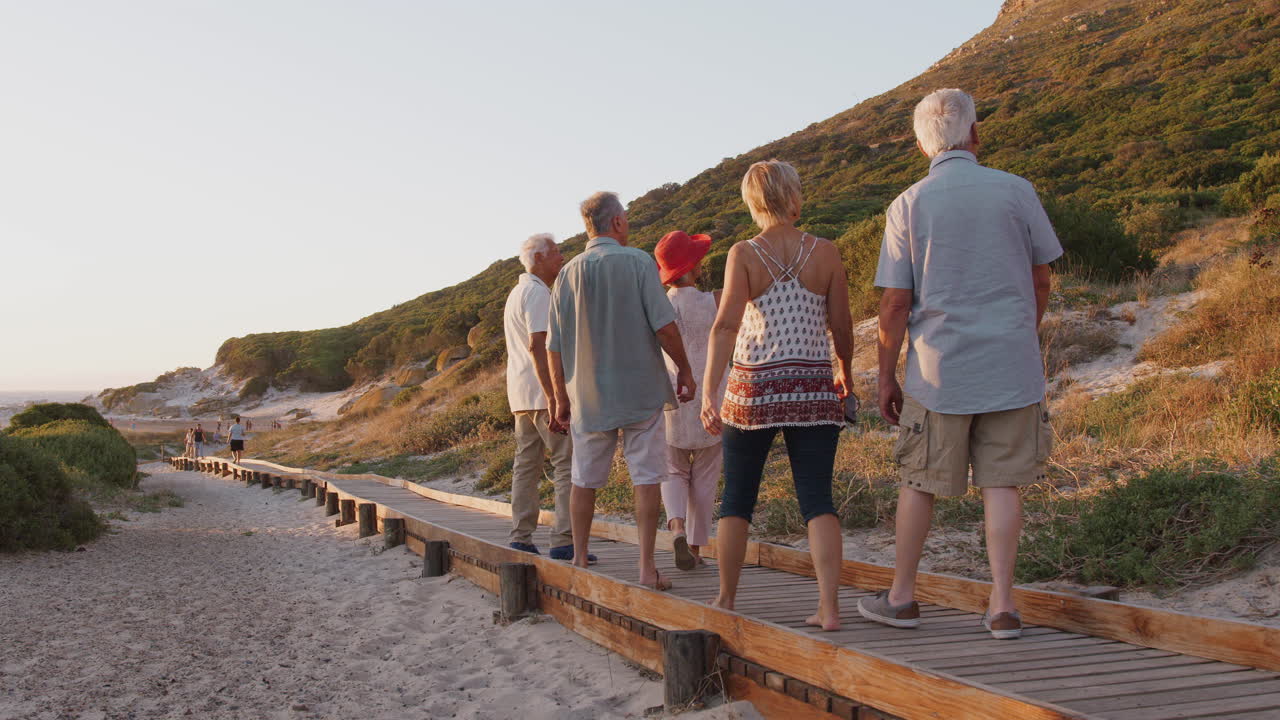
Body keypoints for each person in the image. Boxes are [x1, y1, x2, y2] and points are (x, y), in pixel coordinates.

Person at [856, 89, 1062, 640]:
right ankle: (1002, 606)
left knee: (918, 482)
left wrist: (884, 373)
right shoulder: (1017, 191)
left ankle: (901, 597)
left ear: (922, 144)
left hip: (937, 370)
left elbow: (896, 302)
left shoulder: (908, 204)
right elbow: (1042, 278)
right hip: (1011, 367)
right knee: (1002, 485)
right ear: (975, 134)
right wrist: (1023, 331)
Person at [700, 159, 853, 631]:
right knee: (817, 498)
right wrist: (845, 371)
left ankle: (726, 600)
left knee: (737, 498)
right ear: (793, 196)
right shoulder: (825, 252)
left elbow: (726, 325)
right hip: (812, 387)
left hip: (754, 388)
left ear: (752, 202)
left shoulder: (743, 253)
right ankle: (829, 608)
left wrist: (710, 389)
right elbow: (842, 325)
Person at [548, 191, 697, 590]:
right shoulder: (638, 262)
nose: (627, 224)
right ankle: (647, 568)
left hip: (587, 395)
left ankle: (579, 557)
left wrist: (560, 398)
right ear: (616, 223)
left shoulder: (567, 273)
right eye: (626, 219)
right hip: (640, 391)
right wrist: (684, 368)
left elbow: (554, 344)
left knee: (584, 478)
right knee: (646, 478)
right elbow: (664, 326)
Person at [503, 232, 592, 562]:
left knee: (525, 465)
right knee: (566, 463)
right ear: (538, 258)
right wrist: (556, 396)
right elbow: (538, 346)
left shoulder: (517, 292)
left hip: (521, 395)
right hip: (542, 395)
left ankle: (521, 535)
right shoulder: (539, 294)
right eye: (556, 253)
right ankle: (564, 539)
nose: (562, 257)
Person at [654, 230, 726, 570]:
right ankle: (697, 550)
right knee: (707, 475)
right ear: (693, 266)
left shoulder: (658, 306)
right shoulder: (714, 300)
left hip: (671, 396)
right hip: (711, 399)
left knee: (673, 469)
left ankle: (677, 528)